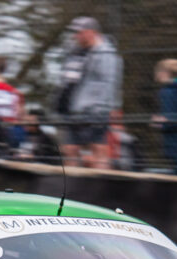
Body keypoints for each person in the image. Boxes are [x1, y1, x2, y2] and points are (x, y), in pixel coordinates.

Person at [55, 16, 122, 169]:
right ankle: (71, 186)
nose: (75, 36)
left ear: (90, 32)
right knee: (70, 149)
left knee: (98, 149)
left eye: (79, 32)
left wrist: (105, 107)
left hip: (95, 110)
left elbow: (109, 83)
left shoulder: (106, 54)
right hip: (72, 109)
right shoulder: (75, 52)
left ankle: (102, 185)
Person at [152, 58, 177, 175]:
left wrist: (160, 122)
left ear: (165, 73)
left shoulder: (167, 92)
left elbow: (170, 117)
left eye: (158, 71)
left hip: (175, 139)